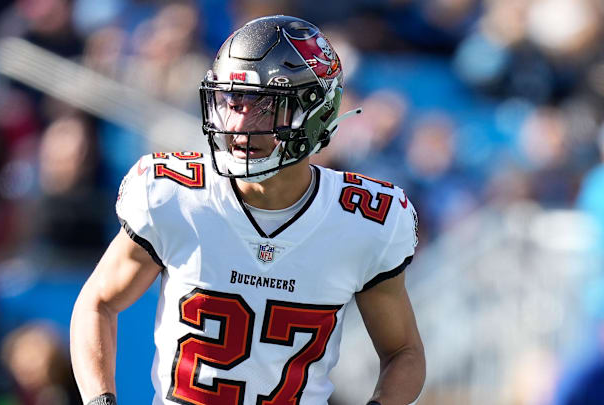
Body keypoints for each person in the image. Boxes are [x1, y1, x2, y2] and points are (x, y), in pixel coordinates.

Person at [70, 15, 425, 405]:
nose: (239, 122)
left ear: (316, 112)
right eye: (232, 100)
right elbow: (98, 302)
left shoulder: (362, 222)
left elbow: (403, 352)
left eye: (264, 106)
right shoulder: (172, 196)